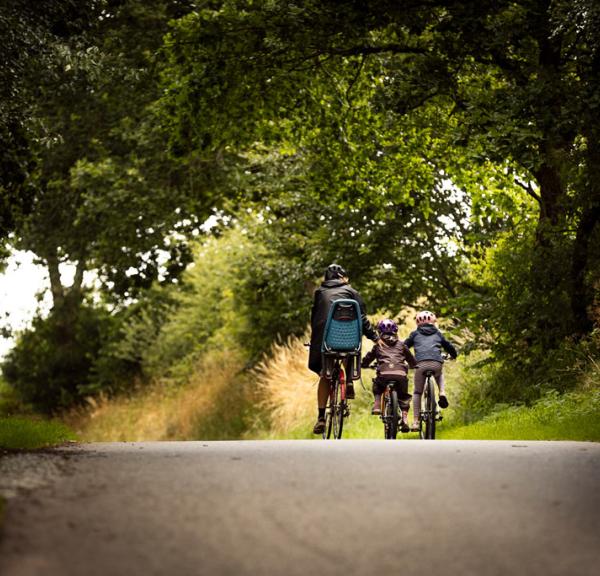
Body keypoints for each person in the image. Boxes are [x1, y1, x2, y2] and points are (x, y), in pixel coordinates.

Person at [309, 263, 378, 435]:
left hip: (325, 340)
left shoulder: (319, 293)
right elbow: (362, 318)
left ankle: (321, 417)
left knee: (325, 374)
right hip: (349, 339)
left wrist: (316, 339)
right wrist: (375, 337)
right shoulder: (352, 292)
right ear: (342, 277)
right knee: (349, 349)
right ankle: (348, 382)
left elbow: (314, 318)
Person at [404, 310, 457, 431]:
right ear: (433, 322)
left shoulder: (414, 334)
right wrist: (453, 355)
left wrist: (404, 358)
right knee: (439, 373)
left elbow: (404, 346)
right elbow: (449, 346)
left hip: (420, 364)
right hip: (436, 363)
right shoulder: (438, 333)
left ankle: (416, 422)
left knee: (418, 392)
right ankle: (442, 392)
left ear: (418, 322)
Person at [361, 319, 417, 432]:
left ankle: (377, 405)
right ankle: (405, 419)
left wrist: (364, 364)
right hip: (400, 375)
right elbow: (412, 360)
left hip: (384, 374)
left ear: (379, 332)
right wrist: (413, 366)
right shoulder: (402, 345)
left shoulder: (378, 345)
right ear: (396, 331)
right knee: (404, 396)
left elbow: (369, 358)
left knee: (378, 386)